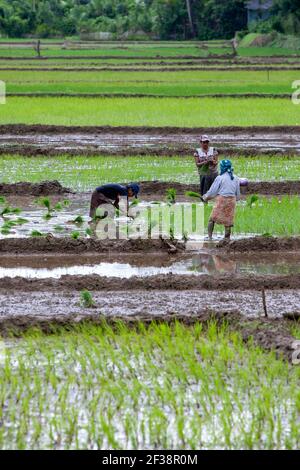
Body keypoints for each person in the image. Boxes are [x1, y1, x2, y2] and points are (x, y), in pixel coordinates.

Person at [202, 160, 240, 240]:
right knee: (228, 221)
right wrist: (236, 200)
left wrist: (205, 197)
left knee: (212, 219)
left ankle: (209, 237)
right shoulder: (236, 178)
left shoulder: (220, 178)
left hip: (222, 200)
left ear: (222, 167)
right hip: (232, 200)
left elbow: (213, 191)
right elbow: (237, 193)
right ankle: (227, 238)